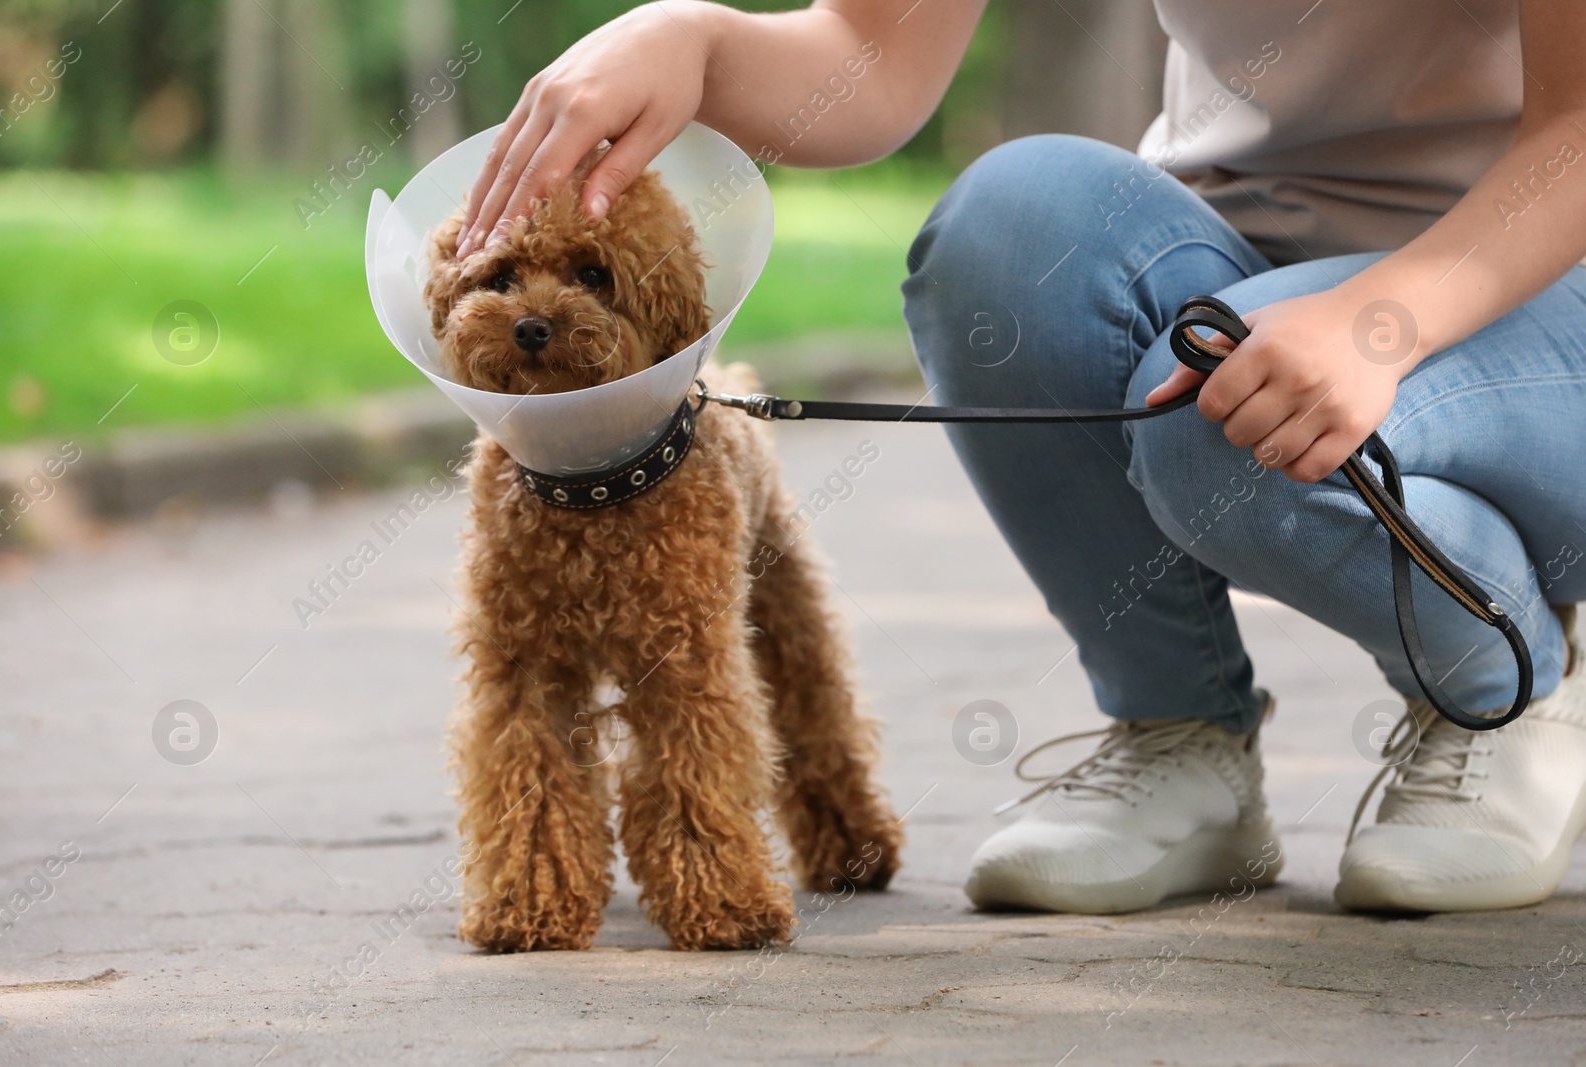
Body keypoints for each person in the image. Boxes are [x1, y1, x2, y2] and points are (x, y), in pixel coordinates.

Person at [458, 0, 1586, 915]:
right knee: (1005, 228)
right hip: (1238, 251)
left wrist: (1380, 320)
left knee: (1214, 415)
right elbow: (864, 54)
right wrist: (692, 37)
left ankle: (1499, 688)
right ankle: (1177, 728)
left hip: (1539, 279)